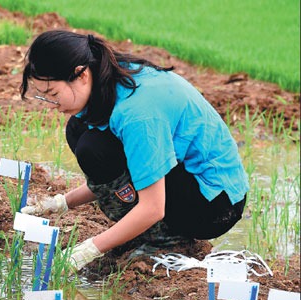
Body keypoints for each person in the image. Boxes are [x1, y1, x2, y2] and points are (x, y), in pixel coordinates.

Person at [19, 30, 249, 273]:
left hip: (213, 205)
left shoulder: (138, 114)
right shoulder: (108, 76)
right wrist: (62, 202)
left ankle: (167, 241)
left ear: (82, 74)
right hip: (184, 181)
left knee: (93, 147)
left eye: (53, 94)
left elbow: (153, 206)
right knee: (78, 129)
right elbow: (130, 171)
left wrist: (89, 248)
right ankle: (143, 231)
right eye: (43, 97)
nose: (51, 105)